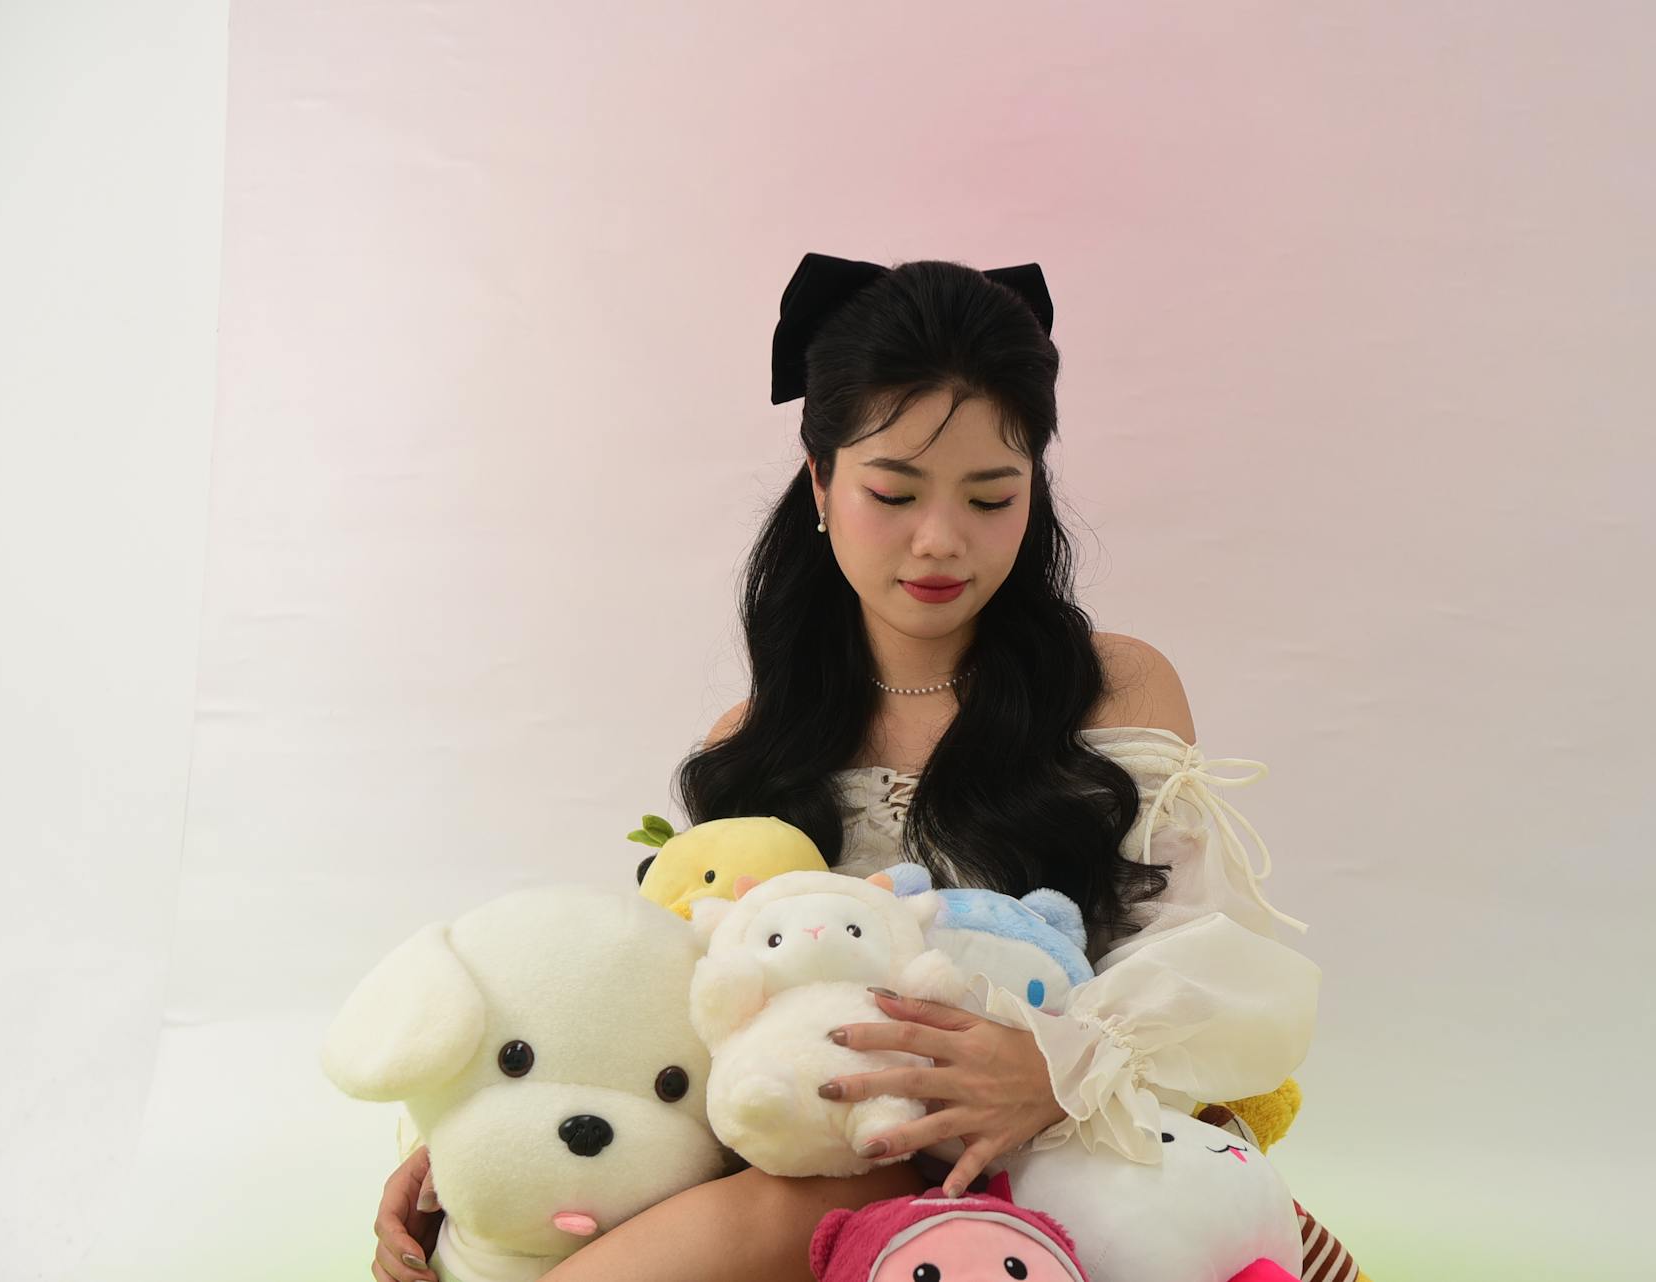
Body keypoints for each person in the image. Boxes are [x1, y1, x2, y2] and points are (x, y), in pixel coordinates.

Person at [367, 254, 1323, 1282]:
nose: (941, 540)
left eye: (992, 496)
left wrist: (1058, 1069)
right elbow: (667, 997)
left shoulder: (1113, 686)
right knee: (497, 1228)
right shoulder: (757, 746)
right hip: (802, 1155)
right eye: (894, 491)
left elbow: (1211, 955)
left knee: (852, 1195)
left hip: (1062, 1163)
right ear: (820, 480)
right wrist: (487, 1135)